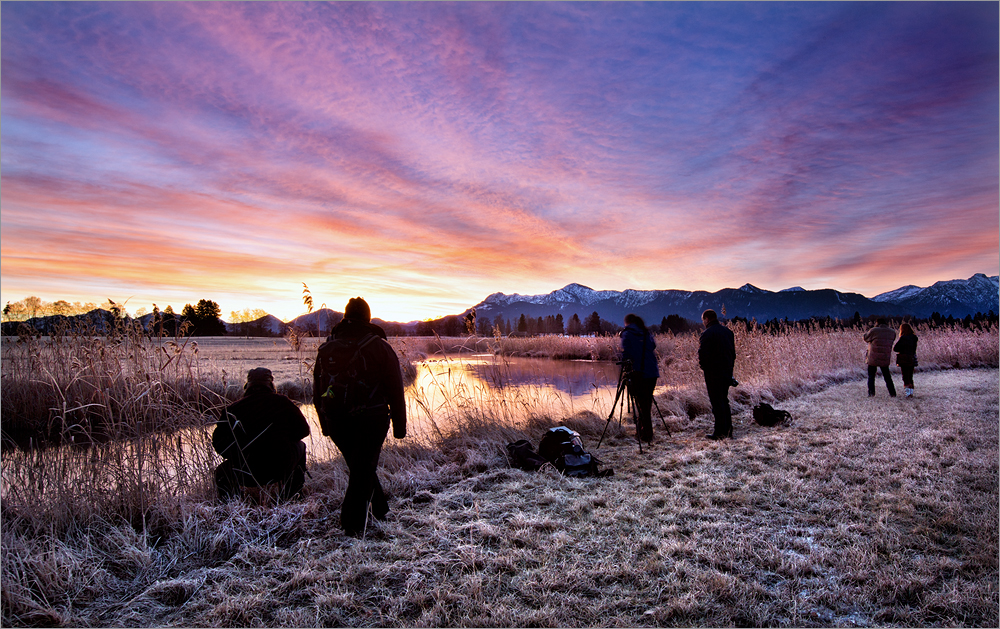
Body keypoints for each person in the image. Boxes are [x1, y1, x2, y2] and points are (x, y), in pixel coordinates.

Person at [314, 297, 406, 537]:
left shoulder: (328, 347)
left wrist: (325, 424)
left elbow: (318, 390)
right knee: (362, 470)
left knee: (360, 467)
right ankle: (352, 527)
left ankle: (380, 509)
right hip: (371, 419)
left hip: (336, 421)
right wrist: (399, 425)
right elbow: (396, 388)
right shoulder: (379, 346)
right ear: (368, 317)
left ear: (345, 316)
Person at [213, 367, 311, 502]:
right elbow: (303, 431)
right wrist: (284, 441)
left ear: (247, 386)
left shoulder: (232, 409)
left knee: (221, 472)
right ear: (271, 384)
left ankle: (232, 505)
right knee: (300, 446)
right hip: (280, 467)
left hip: (244, 471)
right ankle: (292, 495)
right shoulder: (283, 402)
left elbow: (219, 443)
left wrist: (236, 455)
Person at [620, 313, 659, 443]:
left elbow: (626, 353)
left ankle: (646, 435)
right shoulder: (646, 332)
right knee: (646, 404)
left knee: (640, 404)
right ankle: (644, 432)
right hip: (652, 372)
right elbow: (653, 346)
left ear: (627, 322)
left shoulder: (628, 333)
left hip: (638, 373)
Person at [698, 309, 736, 440]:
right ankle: (728, 431)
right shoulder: (728, 332)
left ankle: (719, 433)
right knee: (724, 401)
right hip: (727, 371)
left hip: (713, 373)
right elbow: (733, 353)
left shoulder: (707, 334)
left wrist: (705, 368)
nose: (703, 322)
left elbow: (703, 355)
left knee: (717, 403)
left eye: (703, 320)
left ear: (707, 319)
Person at [863, 318, 897, 397]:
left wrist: (868, 330)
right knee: (887, 376)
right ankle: (892, 393)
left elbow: (865, 338)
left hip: (873, 357)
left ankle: (871, 393)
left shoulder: (874, 330)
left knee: (871, 375)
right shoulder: (892, 332)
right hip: (885, 356)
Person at [893, 322, 918, 398]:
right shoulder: (914, 338)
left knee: (905, 376)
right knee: (910, 376)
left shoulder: (903, 338)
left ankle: (908, 393)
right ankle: (911, 392)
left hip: (904, 359)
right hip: (912, 358)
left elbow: (895, 348)